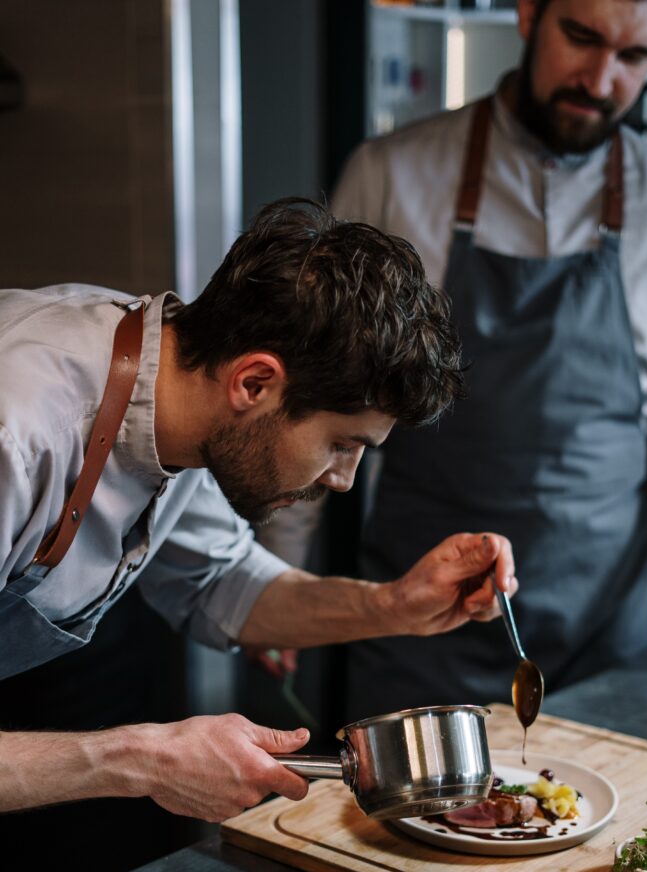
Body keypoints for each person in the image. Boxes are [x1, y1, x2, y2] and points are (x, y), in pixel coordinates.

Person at [0, 197, 517, 825]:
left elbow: (222, 583)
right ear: (254, 383)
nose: (344, 479)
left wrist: (396, 606)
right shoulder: (19, 437)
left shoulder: (179, 389)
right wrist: (140, 760)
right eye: (342, 444)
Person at [261, 0, 647, 721]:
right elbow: (316, 387)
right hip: (418, 611)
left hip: (605, 615)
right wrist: (278, 579)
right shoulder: (391, 175)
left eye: (633, 57)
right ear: (527, 14)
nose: (599, 77)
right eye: (579, 37)